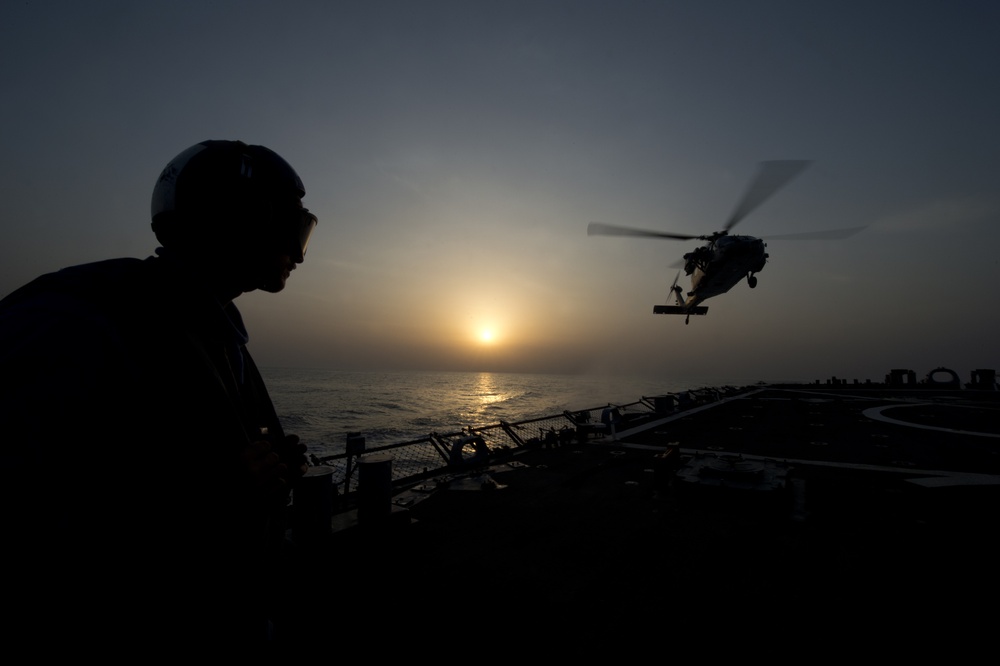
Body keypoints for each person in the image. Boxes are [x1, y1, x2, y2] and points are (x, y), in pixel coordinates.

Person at [0, 140, 318, 651]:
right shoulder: (75, 325)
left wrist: (266, 471)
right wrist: (213, 491)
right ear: (242, 219)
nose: (299, 254)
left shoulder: (211, 332)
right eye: (294, 230)